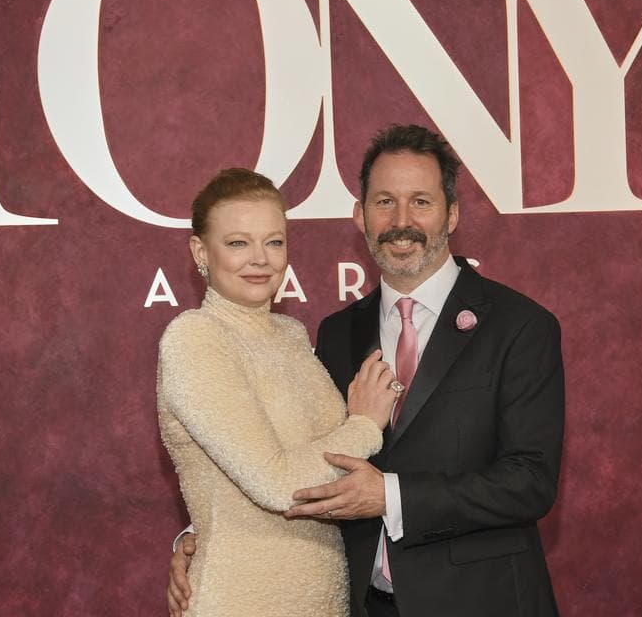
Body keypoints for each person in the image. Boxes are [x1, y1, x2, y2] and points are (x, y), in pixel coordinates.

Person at [169, 127, 565, 617]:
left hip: (482, 601)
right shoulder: (337, 333)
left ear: (453, 213)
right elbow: (289, 455)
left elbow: (530, 481)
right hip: (359, 603)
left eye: (420, 201)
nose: (401, 221)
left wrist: (391, 496)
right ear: (359, 215)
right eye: (383, 202)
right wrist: (203, 533)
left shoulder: (520, 326)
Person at [157, 167, 400, 617]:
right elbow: (277, 484)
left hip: (324, 598)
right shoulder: (193, 338)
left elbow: (317, 473)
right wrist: (364, 425)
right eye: (237, 243)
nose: (260, 259)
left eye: (273, 242)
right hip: (239, 600)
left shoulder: (291, 335)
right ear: (200, 251)